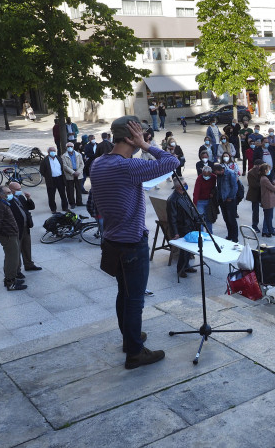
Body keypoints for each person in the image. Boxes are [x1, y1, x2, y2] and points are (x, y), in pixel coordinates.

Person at [92, 116, 179, 369]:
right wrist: (146, 146)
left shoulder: (98, 163)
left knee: (124, 294)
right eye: (140, 134)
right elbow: (172, 161)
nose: (144, 138)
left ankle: (129, 338)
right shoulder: (127, 168)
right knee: (135, 300)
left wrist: (138, 145)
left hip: (112, 241)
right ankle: (135, 353)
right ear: (132, 137)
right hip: (131, 242)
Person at [0, 186, 28, 291]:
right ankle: (11, 283)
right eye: (8, 192)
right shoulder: (0, 206)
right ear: (1, 195)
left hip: (11, 235)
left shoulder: (4, 203)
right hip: (8, 236)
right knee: (12, 260)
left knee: (11, 258)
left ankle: (10, 279)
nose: (11, 194)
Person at [166, 180, 198, 278]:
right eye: (184, 184)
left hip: (189, 225)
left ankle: (187, 266)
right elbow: (172, 218)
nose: (186, 185)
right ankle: (181, 269)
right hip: (182, 227)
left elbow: (191, 208)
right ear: (178, 187)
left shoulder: (184, 195)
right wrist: (175, 232)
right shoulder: (172, 199)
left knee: (188, 250)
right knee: (184, 251)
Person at [7, 182, 41, 272]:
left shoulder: (21, 197)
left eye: (20, 189)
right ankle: (17, 270)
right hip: (16, 228)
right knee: (16, 250)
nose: (20, 191)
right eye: (18, 189)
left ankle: (29, 264)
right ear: (11, 190)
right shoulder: (8, 200)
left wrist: (28, 198)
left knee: (26, 247)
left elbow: (31, 207)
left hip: (25, 227)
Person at [212, 163, 239, 243]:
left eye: (216, 172)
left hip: (230, 200)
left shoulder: (230, 173)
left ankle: (235, 237)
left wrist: (230, 197)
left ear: (221, 170)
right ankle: (230, 235)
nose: (216, 174)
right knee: (226, 219)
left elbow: (234, 187)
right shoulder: (219, 175)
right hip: (222, 200)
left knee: (231, 219)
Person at [39, 146, 69, 214]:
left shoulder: (58, 158)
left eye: (54, 151)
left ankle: (65, 207)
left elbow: (62, 167)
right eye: (51, 151)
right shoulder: (44, 160)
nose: (53, 152)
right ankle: (53, 209)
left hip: (60, 178)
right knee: (51, 195)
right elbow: (42, 171)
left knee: (63, 194)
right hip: (51, 180)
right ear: (48, 152)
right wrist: (47, 177)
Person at [192, 166, 216, 234]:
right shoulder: (199, 178)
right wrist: (195, 203)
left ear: (210, 173)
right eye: (204, 175)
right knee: (201, 219)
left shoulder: (213, 177)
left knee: (209, 219)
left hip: (209, 201)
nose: (206, 176)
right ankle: (201, 233)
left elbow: (215, 188)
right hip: (200, 201)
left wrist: (212, 193)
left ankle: (210, 233)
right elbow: (196, 191)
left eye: (207, 175)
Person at [61, 141, 85, 209]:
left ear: (73, 147)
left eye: (71, 146)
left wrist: (78, 172)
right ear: (66, 148)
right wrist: (73, 172)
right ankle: (72, 203)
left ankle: (79, 202)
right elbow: (65, 166)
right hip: (70, 174)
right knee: (70, 190)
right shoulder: (64, 156)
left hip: (78, 174)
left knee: (79, 189)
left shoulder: (78, 154)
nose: (70, 148)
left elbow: (82, 164)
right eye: (68, 147)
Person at [258, 163, 275, 237]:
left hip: (267, 199)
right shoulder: (264, 179)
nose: (269, 170)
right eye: (268, 169)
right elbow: (273, 188)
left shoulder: (264, 178)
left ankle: (265, 230)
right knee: (269, 216)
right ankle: (270, 230)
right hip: (268, 200)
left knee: (267, 216)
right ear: (265, 170)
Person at [245, 159, 263, 234]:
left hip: (262, 193)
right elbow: (253, 184)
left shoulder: (262, 171)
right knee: (255, 210)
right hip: (255, 194)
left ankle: (266, 225)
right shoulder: (251, 173)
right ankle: (254, 225)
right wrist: (263, 184)